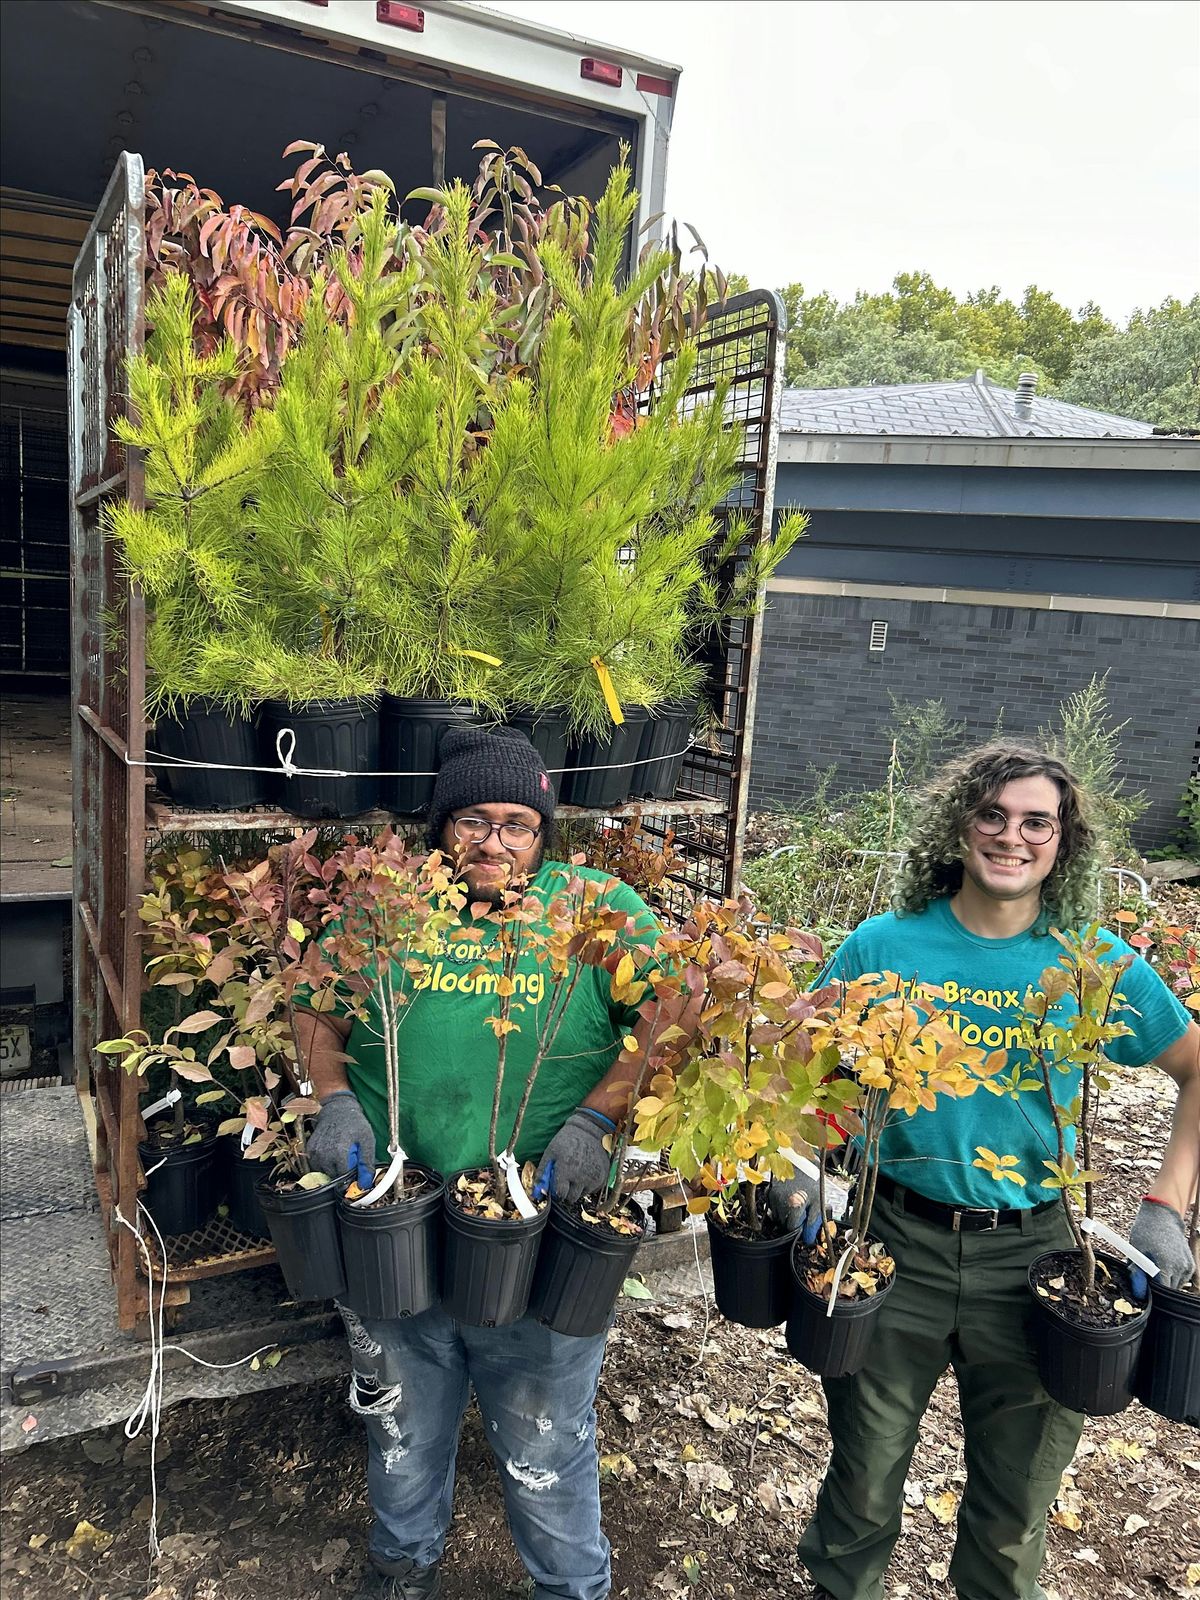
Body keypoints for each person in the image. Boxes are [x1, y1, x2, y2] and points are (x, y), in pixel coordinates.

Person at [771, 743, 1199, 1600]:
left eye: (1037, 821)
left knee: (1014, 1508)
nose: (1012, 837)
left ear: (1064, 839)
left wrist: (1166, 1206)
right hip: (892, 1246)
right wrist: (799, 1159)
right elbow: (791, 1063)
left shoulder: (1093, 963)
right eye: (993, 816)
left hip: (1043, 1259)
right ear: (960, 826)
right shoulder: (884, 946)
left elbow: (1197, 1068)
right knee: (860, 1486)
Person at [296, 725, 658, 1600]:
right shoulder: (388, 908)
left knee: (544, 1438)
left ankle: (572, 1588)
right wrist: (334, 1097)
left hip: (538, 1228)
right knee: (401, 1422)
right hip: (400, 1217)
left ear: (543, 832)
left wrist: (595, 1121)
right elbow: (316, 1007)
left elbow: (666, 1023)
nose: (492, 843)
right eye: (470, 821)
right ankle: (401, 1567)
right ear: (440, 829)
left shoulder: (598, 910)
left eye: (516, 824)